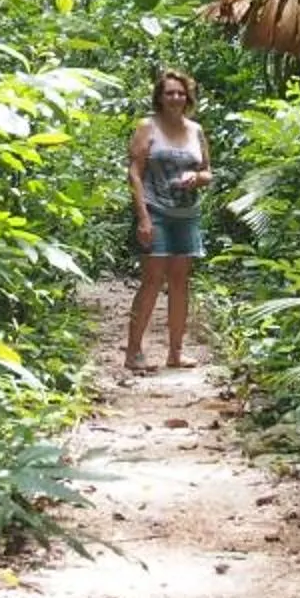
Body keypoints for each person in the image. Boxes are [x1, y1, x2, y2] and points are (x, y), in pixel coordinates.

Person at [123, 69, 211, 372]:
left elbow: (207, 171)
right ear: (160, 97)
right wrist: (143, 218)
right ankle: (134, 351)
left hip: (186, 215)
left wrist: (197, 178)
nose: (175, 98)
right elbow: (135, 173)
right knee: (152, 280)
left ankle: (175, 352)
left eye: (180, 93)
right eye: (169, 93)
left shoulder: (196, 130)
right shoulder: (147, 127)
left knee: (179, 282)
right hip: (155, 211)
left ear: (188, 97)